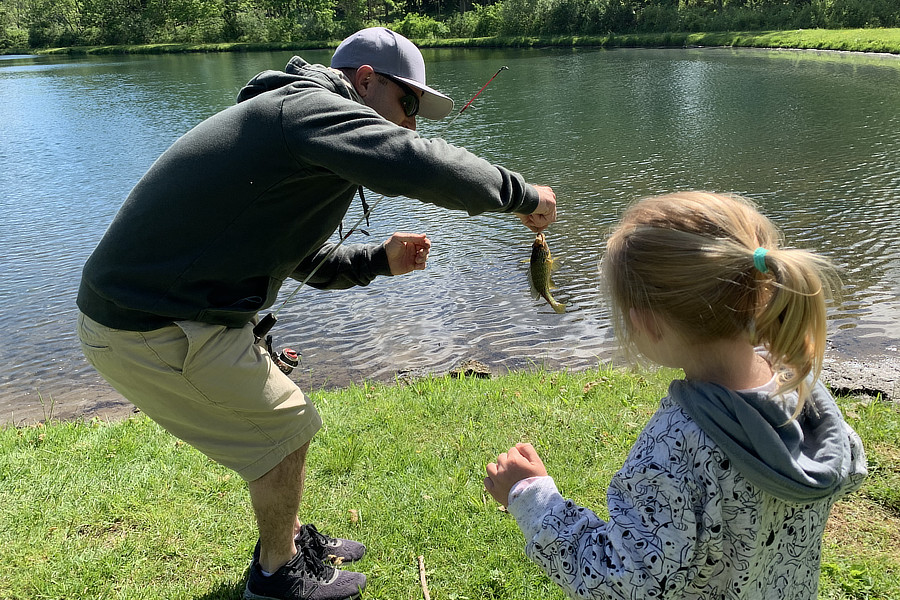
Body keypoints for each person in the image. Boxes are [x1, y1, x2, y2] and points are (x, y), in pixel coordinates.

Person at [76, 27, 556, 600]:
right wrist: (523, 195)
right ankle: (277, 577)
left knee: (281, 424)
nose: (409, 122)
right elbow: (415, 162)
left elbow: (306, 261)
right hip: (148, 322)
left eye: (417, 112)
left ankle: (289, 541)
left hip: (161, 314)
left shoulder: (299, 133)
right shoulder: (304, 108)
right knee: (285, 428)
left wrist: (381, 258)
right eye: (407, 103)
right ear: (365, 81)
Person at [484, 192, 866, 599]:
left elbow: (622, 581)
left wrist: (534, 499)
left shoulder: (677, 447)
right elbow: (850, 464)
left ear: (648, 325)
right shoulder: (803, 394)